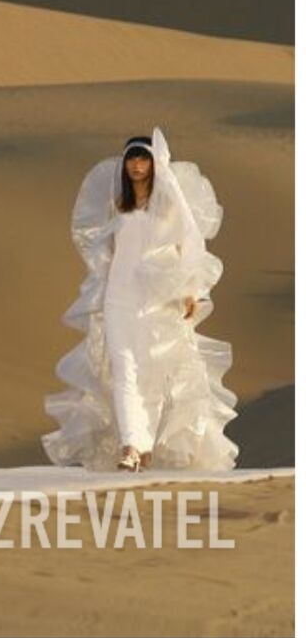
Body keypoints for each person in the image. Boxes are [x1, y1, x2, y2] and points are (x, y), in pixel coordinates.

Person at [44, 129, 237, 473]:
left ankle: (145, 446)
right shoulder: (117, 204)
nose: (137, 165)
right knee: (124, 371)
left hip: (160, 298)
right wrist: (100, 281)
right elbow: (101, 247)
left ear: (153, 163)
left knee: (153, 372)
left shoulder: (168, 202)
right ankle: (131, 446)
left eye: (143, 158)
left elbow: (191, 242)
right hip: (119, 296)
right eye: (131, 158)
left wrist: (191, 288)